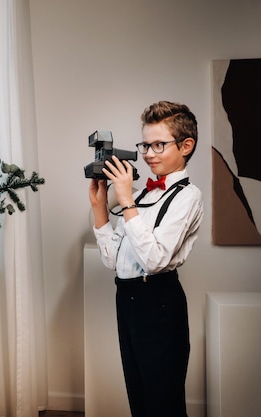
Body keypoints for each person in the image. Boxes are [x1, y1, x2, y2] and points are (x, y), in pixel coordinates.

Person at [88, 101, 203, 417]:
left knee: (162, 399)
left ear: (186, 146)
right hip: (127, 298)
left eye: (158, 145)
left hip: (159, 300)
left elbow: (154, 261)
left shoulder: (188, 196)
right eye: (145, 145)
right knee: (138, 393)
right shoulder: (141, 196)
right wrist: (100, 208)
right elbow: (113, 261)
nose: (149, 153)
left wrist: (125, 200)